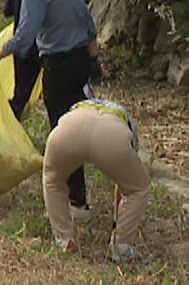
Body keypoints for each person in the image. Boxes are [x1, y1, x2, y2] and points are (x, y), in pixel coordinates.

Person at [0, 0, 99, 214]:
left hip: (58, 65)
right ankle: (77, 194)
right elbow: (88, 21)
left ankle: (74, 201)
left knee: (61, 132)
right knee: (75, 125)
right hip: (80, 60)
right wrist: (93, 59)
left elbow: (24, 38)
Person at [42, 98, 149, 261]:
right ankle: (121, 246)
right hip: (112, 136)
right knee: (138, 188)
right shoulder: (127, 121)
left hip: (70, 128)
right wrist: (117, 222)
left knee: (53, 180)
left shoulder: (84, 104)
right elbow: (124, 187)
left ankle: (64, 240)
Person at [2, 0, 45, 121]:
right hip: (45, 46)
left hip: (23, 47)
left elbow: (7, 11)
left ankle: (11, 128)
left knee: (21, 93)